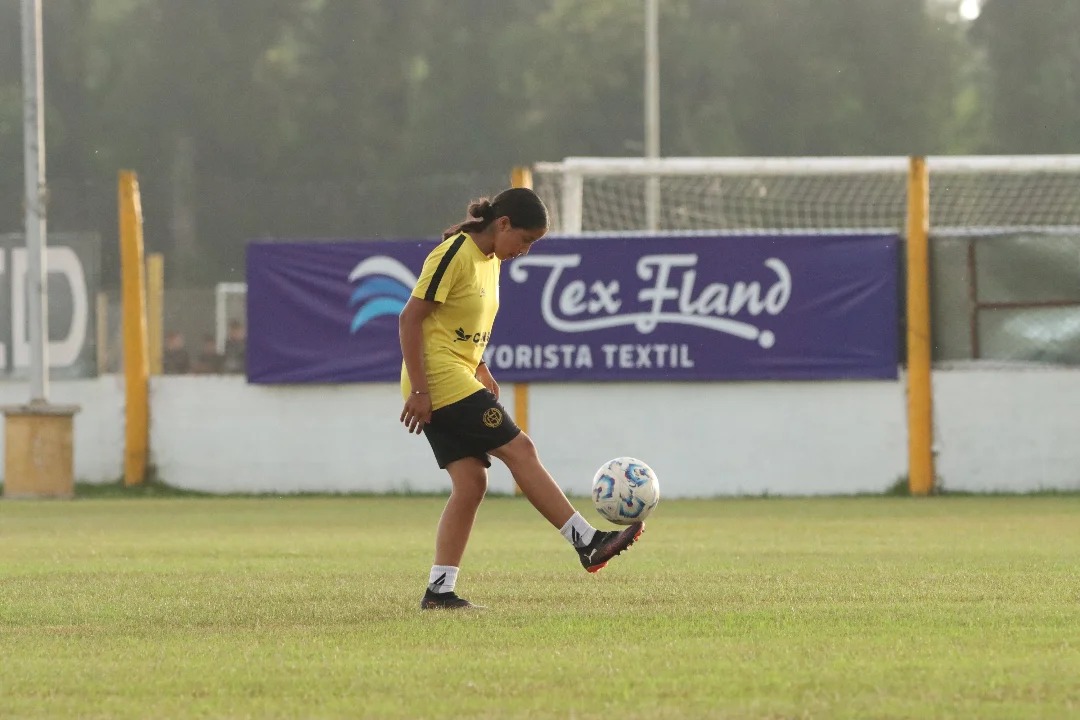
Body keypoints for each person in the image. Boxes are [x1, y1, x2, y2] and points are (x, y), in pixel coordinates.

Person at [399, 187, 644, 610]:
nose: (525, 251)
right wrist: (420, 390)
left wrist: (479, 365)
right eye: (525, 240)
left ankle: (439, 591)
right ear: (503, 224)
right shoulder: (453, 253)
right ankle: (586, 541)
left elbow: (456, 322)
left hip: (456, 373)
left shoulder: (491, 259)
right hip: (437, 378)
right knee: (520, 449)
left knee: (472, 484)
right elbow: (411, 318)